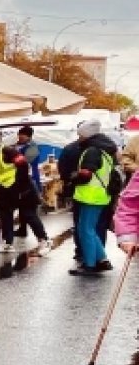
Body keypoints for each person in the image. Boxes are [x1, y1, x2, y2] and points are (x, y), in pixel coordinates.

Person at [0, 134, 50, 255]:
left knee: (30, 216)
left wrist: (20, 188)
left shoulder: (7, 151)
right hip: (5, 192)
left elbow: (23, 166)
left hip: (23, 190)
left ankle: (44, 241)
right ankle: (7, 243)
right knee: (6, 217)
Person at [68, 117, 119, 276]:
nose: (79, 138)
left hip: (90, 196)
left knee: (85, 230)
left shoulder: (91, 151)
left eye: (81, 135)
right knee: (89, 229)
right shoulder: (105, 151)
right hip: (100, 196)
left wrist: (73, 177)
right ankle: (102, 259)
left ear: (86, 135)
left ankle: (89, 264)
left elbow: (86, 174)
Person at [14, 125, 42, 193]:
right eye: (19, 135)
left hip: (31, 179)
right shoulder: (21, 146)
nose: (19, 138)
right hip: (23, 178)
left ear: (29, 137)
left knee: (32, 199)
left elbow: (23, 161)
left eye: (22, 136)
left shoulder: (32, 148)